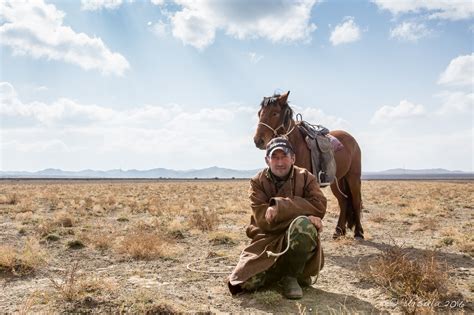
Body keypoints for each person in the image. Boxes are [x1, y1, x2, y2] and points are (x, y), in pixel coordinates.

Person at [228, 137, 327, 299]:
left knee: (303, 226)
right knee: (244, 283)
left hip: (297, 240)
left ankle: (291, 276)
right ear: (267, 160)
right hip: (267, 241)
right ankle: (281, 272)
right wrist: (306, 214)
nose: (280, 162)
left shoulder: (306, 177)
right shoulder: (257, 182)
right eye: (275, 157)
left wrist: (279, 208)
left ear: (293, 158)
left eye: (284, 157)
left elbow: (319, 205)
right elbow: (263, 221)